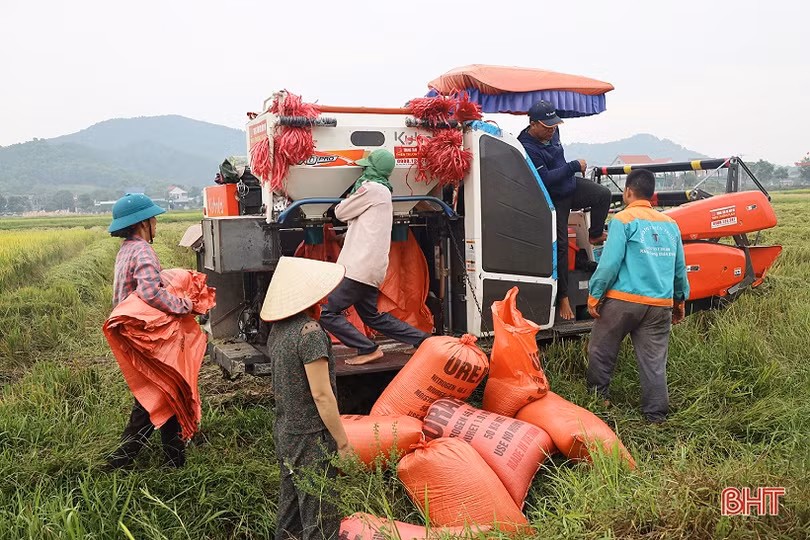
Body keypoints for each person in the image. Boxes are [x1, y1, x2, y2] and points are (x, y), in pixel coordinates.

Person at [586, 169, 689, 425]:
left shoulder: (623, 219)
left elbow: (609, 264)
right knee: (654, 362)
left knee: (601, 349)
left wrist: (595, 295)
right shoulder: (670, 224)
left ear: (628, 191)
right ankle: (656, 417)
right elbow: (679, 267)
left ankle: (600, 402)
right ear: (652, 193)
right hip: (659, 306)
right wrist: (679, 300)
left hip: (623, 301)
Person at [261, 256, 352, 540]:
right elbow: (322, 395)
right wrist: (343, 442)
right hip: (311, 437)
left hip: (285, 430)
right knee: (320, 516)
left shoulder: (279, 330)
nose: (325, 299)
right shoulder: (309, 333)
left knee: (290, 510)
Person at [320, 149, 431, 365]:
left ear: (372, 169)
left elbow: (340, 212)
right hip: (372, 267)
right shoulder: (384, 191)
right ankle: (422, 341)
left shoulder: (371, 189)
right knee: (372, 317)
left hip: (359, 268)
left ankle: (367, 348)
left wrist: (350, 195)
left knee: (327, 312)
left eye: (366, 167)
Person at [106, 194, 193, 469]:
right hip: (144, 335)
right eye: (154, 218)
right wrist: (183, 305)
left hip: (132, 333)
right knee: (155, 395)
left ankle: (174, 460)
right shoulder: (143, 250)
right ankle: (120, 461)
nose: (156, 223)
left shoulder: (126, 249)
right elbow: (150, 293)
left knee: (166, 390)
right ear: (143, 223)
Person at [518, 100, 612, 320]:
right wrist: (573, 166)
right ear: (533, 124)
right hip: (554, 198)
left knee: (603, 195)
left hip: (570, 187)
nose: (551, 130)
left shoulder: (553, 131)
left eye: (554, 126)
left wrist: (570, 170)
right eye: (546, 127)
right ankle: (563, 298)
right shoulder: (527, 145)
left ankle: (595, 234)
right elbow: (545, 179)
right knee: (561, 247)